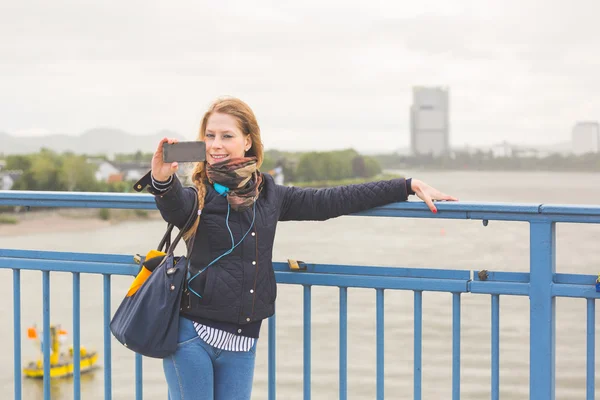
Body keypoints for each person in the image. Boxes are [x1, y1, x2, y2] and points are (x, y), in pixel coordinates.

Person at [143, 97, 457, 399]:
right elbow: (173, 205)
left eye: (227, 135)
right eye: (209, 136)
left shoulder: (270, 195)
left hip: (242, 341)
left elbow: (330, 201)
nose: (216, 144)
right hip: (192, 336)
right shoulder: (197, 193)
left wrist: (405, 185)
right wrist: (160, 179)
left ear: (248, 141)